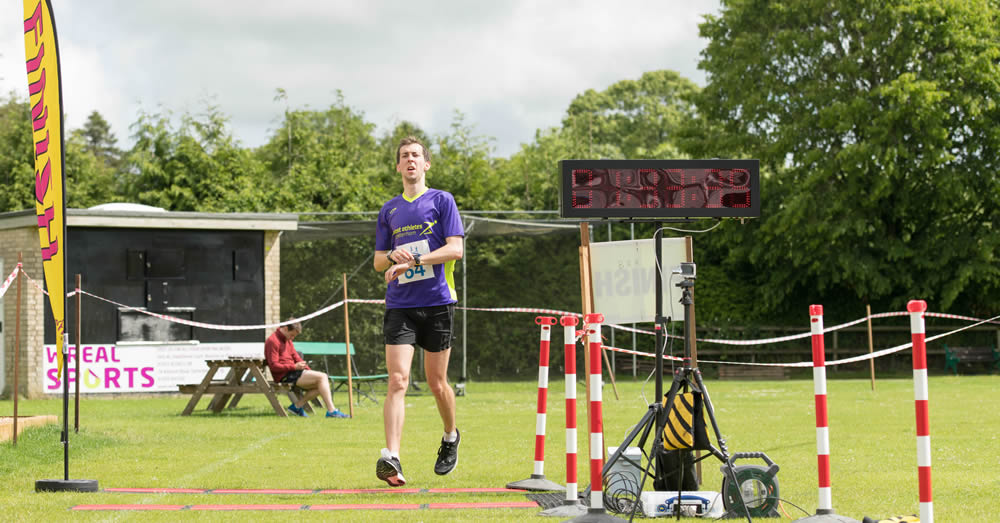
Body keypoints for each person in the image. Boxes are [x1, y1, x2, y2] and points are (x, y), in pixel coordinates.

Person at [372, 136, 465, 487]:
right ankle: (392, 457)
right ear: (398, 166)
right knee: (397, 380)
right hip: (401, 306)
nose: (410, 160)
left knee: (436, 383)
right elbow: (379, 261)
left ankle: (450, 436)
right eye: (404, 156)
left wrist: (416, 260)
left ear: (426, 164)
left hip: (438, 302)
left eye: (415, 155)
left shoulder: (442, 201)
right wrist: (393, 259)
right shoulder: (389, 210)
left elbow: (455, 250)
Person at [264, 320, 349, 418]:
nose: (292, 338)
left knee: (323, 383)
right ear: (286, 329)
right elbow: (274, 366)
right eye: (292, 335)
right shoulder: (272, 341)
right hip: (284, 375)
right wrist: (294, 367)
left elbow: (296, 357)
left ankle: (297, 406)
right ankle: (332, 411)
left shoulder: (288, 341)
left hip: (294, 371)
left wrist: (307, 369)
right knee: (322, 377)